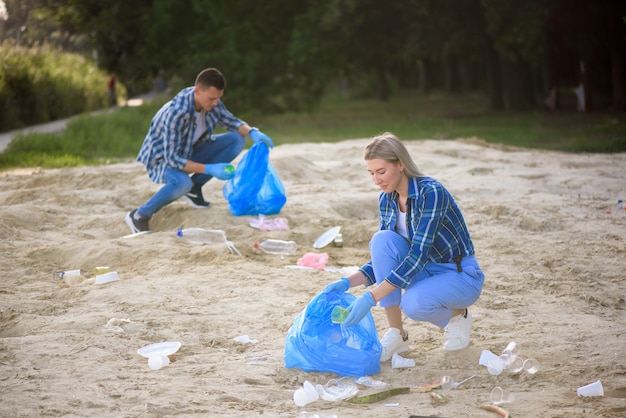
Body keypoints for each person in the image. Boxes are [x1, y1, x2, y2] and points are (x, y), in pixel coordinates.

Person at [322, 132, 484, 361]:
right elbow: (384, 258)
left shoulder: (431, 193)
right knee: (382, 239)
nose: (376, 180)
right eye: (371, 173)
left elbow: (418, 255)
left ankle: (458, 315)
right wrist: (348, 282)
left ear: (400, 164)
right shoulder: (386, 199)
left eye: (381, 171)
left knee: (413, 304)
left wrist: (371, 298)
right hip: (423, 271)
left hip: (458, 274)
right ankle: (397, 334)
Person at [125, 67, 274, 234]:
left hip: (190, 151)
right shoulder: (176, 113)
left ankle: (194, 189)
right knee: (182, 183)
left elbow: (231, 121)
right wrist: (209, 169)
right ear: (197, 91)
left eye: (218, 98)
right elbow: (173, 160)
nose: (216, 103)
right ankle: (139, 215)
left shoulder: (212, 102)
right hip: (162, 160)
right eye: (212, 98)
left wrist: (253, 131)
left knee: (237, 139)